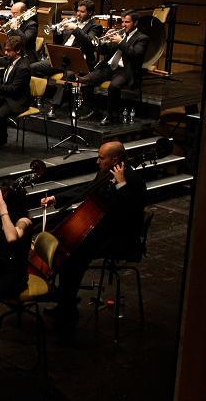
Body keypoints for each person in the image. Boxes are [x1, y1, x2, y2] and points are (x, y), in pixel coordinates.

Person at [40, 141, 147, 333]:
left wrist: (121, 184)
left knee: (73, 257)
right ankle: (66, 299)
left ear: (115, 159)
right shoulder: (106, 173)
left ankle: (67, 305)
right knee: (69, 249)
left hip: (120, 238)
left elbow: (128, 214)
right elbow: (88, 190)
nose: (98, 161)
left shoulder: (133, 180)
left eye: (101, 158)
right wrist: (56, 198)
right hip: (103, 230)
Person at [78, 10, 149, 125]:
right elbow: (103, 51)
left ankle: (110, 115)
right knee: (85, 80)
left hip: (125, 70)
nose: (123, 25)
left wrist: (121, 42)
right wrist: (103, 41)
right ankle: (93, 109)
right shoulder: (119, 34)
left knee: (114, 86)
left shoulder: (142, 38)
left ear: (135, 23)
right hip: (109, 67)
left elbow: (135, 55)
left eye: (127, 22)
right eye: (122, 22)